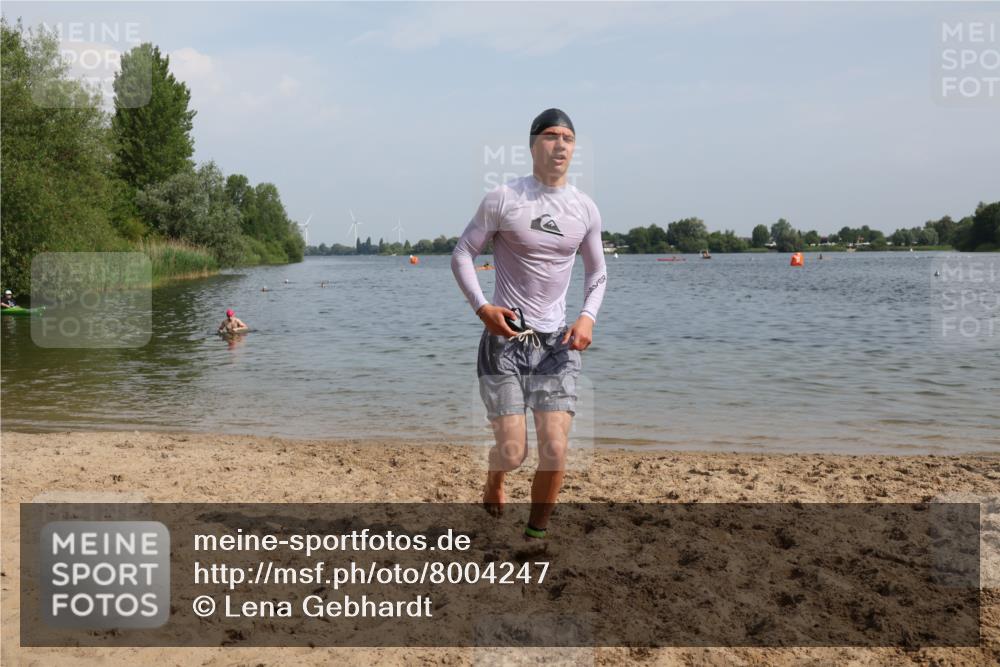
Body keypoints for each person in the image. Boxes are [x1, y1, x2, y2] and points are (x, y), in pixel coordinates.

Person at [451, 108, 607, 542]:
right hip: (506, 340)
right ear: (534, 143)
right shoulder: (503, 198)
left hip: (557, 345)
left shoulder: (584, 209)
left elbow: (597, 274)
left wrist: (587, 317)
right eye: (552, 136)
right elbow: (463, 252)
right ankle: (495, 478)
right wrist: (482, 308)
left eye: (569, 138)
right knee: (514, 453)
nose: (561, 145)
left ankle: (535, 537)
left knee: (556, 449)